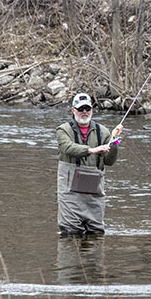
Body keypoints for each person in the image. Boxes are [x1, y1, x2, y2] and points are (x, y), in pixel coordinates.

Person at [56, 92, 123, 236]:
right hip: (69, 190)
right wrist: (92, 150)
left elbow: (109, 161)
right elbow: (67, 147)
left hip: (94, 190)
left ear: (92, 109)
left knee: (96, 232)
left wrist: (114, 141)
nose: (84, 112)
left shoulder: (103, 132)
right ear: (73, 110)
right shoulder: (63, 130)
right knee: (70, 232)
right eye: (81, 109)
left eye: (87, 108)